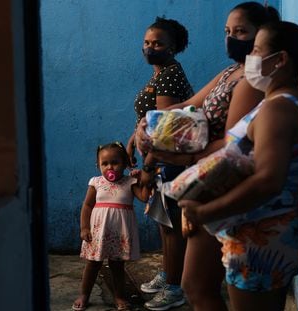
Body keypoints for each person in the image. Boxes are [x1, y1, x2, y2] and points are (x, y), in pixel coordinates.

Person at [135, 3, 280, 310]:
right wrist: (146, 126)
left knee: (198, 284)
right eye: (228, 31)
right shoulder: (231, 72)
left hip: (218, 181)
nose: (232, 38)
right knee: (196, 284)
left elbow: (233, 144)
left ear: (262, 35)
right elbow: (189, 103)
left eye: (241, 31)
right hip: (203, 178)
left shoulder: (252, 81)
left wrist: (176, 159)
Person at [177, 21, 298, 311]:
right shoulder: (284, 98)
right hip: (258, 227)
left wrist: (205, 211)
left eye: (255, 50)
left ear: (280, 60)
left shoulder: (279, 108)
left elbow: (268, 180)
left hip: (263, 235)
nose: (250, 58)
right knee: (198, 285)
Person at [125, 17, 194, 311]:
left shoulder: (169, 75)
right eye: (147, 42)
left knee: (173, 226)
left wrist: (150, 167)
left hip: (170, 163)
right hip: (159, 160)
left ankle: (176, 288)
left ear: (173, 48)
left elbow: (165, 131)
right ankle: (169, 275)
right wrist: (132, 140)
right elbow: (149, 118)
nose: (150, 48)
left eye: (158, 44)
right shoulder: (160, 73)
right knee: (164, 224)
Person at [72, 142, 150, 311]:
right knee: (92, 264)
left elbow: (144, 197)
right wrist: (84, 228)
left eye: (115, 163)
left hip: (119, 235)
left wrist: (143, 177)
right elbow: (87, 206)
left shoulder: (130, 182)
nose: (110, 167)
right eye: (105, 163)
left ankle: (119, 296)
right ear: (98, 165)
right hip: (98, 233)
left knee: (117, 266)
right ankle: (84, 294)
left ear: (125, 163)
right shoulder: (96, 182)